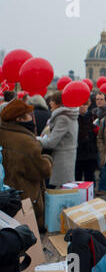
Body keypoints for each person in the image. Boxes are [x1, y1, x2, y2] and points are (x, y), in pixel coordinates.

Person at [0, 99, 53, 230]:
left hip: (7, 197)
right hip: (25, 197)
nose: (31, 118)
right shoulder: (26, 143)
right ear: (20, 119)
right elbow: (42, 171)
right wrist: (47, 159)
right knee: (29, 236)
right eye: (29, 115)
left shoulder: (3, 133)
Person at [37, 91, 79, 188]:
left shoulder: (62, 118)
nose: (50, 103)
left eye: (52, 101)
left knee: (55, 191)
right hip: (66, 157)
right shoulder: (69, 115)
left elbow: (51, 142)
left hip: (61, 160)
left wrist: (36, 139)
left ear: (58, 103)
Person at [75, 100, 98, 184]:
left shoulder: (94, 117)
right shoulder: (73, 118)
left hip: (90, 153)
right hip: (77, 152)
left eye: (84, 104)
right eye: (80, 104)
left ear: (88, 105)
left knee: (89, 178)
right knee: (77, 178)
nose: (82, 106)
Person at [91, 92, 106, 196]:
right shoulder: (93, 111)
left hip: (104, 143)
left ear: (105, 101)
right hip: (93, 143)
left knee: (103, 167)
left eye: (101, 99)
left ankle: (103, 188)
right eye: (97, 99)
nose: (99, 101)